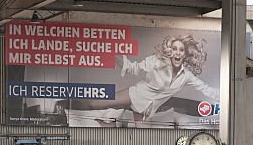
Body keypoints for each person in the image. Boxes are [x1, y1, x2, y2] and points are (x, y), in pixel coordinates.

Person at [61, 35, 218, 124]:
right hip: (135, 94)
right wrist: (114, 55)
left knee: (142, 136)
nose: (177, 53)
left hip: (146, 108)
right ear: (170, 51)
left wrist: (224, 97)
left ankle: (107, 124)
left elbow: (205, 88)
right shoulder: (156, 62)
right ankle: (66, 107)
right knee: (93, 103)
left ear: (185, 54)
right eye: (175, 49)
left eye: (181, 50)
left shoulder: (186, 76)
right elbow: (133, 68)